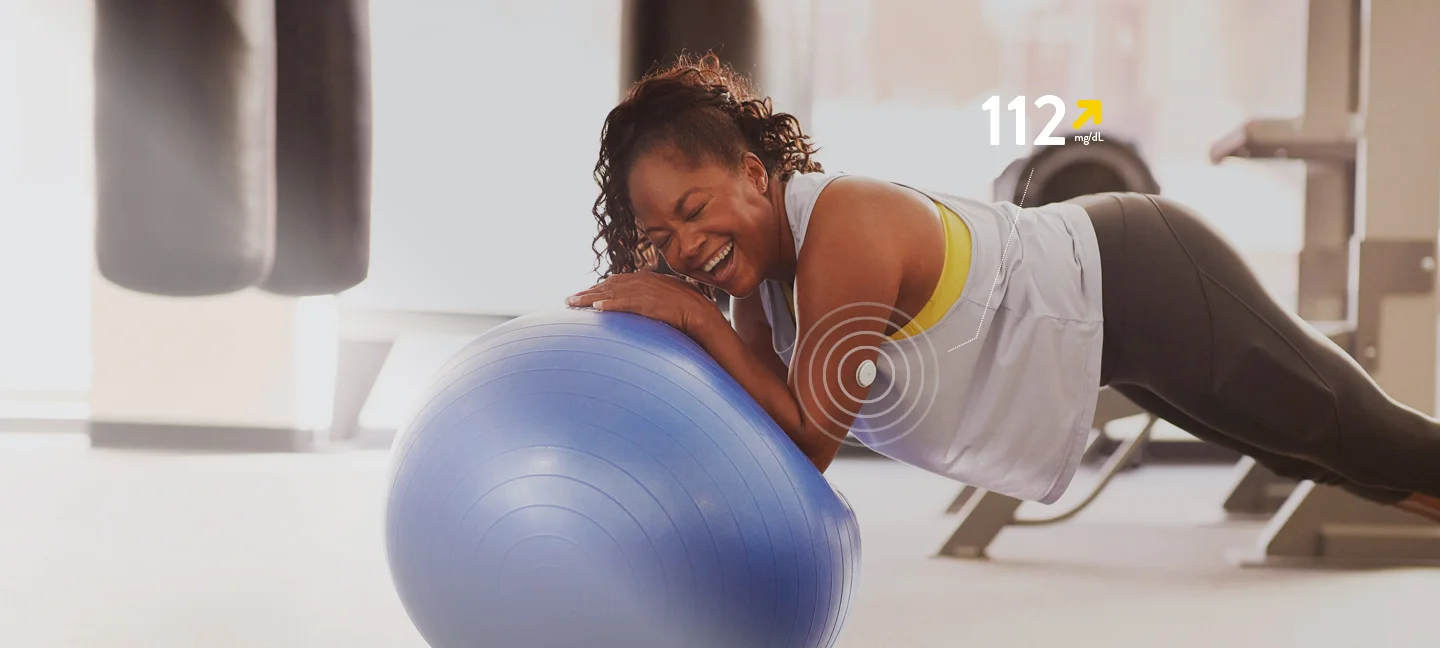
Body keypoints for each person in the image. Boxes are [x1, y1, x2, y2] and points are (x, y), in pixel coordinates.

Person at [567, 54, 1440, 521]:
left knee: (1355, 433)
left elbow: (805, 445)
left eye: (693, 209)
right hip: (1109, 329)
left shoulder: (843, 234)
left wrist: (688, 314)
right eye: (658, 238)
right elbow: (765, 425)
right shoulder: (764, 288)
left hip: (1144, 273)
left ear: (755, 176)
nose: (684, 247)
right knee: (1308, 455)